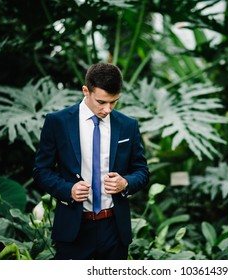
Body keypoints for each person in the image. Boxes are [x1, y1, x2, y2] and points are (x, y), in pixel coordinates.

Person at [32, 62, 149, 260]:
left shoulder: (128, 125)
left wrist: (125, 183)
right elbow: (41, 171)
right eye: (101, 102)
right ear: (86, 91)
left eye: (114, 102)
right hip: (73, 229)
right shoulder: (58, 122)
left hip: (114, 228)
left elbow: (142, 171)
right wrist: (67, 189)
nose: (108, 109)